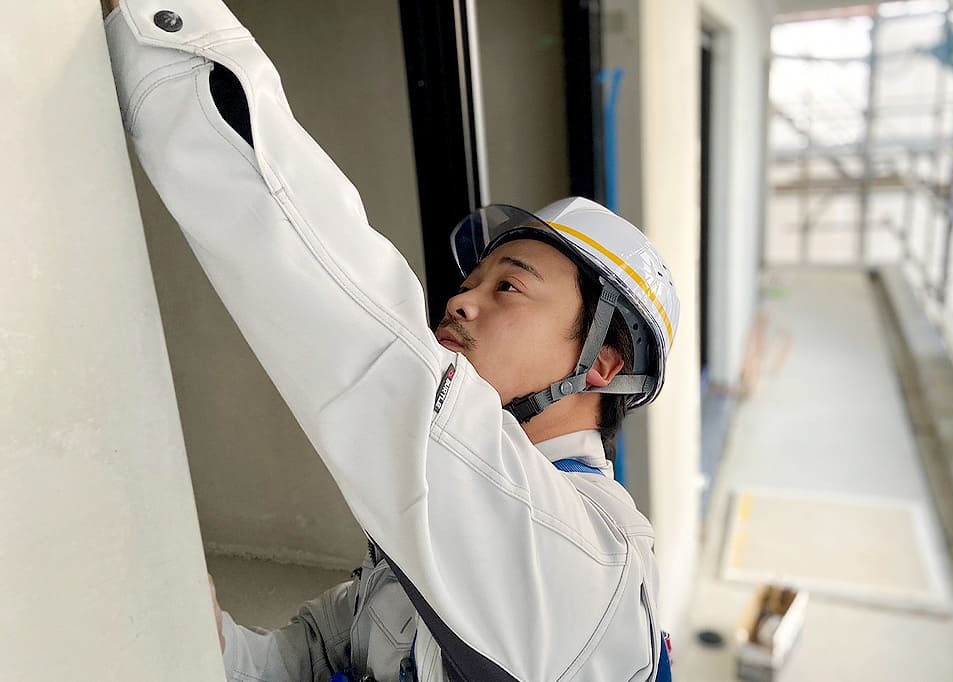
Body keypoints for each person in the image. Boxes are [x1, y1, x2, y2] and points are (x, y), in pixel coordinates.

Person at [101, 1, 680, 680]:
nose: (460, 299)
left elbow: (367, 336)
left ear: (602, 362)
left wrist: (162, 33)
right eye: (472, 280)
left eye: (509, 287)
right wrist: (200, 631)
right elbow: (294, 661)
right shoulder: (430, 548)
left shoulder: (589, 558)